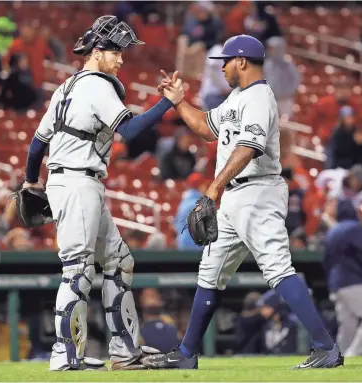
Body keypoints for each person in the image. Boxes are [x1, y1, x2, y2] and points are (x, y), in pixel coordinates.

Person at [143, 34, 343, 369]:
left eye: (225, 61)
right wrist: (179, 101)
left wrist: (213, 187)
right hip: (235, 197)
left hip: (258, 191)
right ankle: (187, 354)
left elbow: (249, 148)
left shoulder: (260, 98)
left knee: (278, 268)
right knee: (211, 272)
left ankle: (326, 347)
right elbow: (206, 128)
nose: (221, 68)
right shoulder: (237, 97)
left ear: (242, 61)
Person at [21, 15, 186, 371]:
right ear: (97, 51)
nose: (122, 59)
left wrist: (31, 181)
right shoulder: (98, 84)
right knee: (78, 270)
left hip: (75, 182)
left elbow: (37, 145)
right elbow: (131, 129)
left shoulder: (66, 87)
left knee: (119, 261)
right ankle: (65, 356)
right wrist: (168, 103)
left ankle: (125, 353)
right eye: (116, 51)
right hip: (78, 182)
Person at [324, 199, 362, 356]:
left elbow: (325, 260)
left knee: (347, 324)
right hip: (352, 280)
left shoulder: (333, 231)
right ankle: (354, 353)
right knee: (348, 324)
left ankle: (338, 355)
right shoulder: (354, 228)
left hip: (336, 284)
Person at [263, 37, 300, 119]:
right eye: (270, 48)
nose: (271, 51)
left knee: (285, 123)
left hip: (285, 100)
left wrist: (288, 93)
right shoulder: (267, 64)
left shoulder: (287, 63)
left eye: (273, 48)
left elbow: (296, 81)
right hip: (271, 99)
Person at [139, 288, 180, 354]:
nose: (153, 299)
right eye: (150, 296)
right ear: (141, 300)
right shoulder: (138, 327)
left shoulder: (170, 323)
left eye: (155, 296)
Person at [174, 172, 209, 249]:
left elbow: (176, 225)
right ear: (200, 186)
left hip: (182, 244)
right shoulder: (197, 203)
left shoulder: (183, 202)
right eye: (204, 185)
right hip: (195, 247)